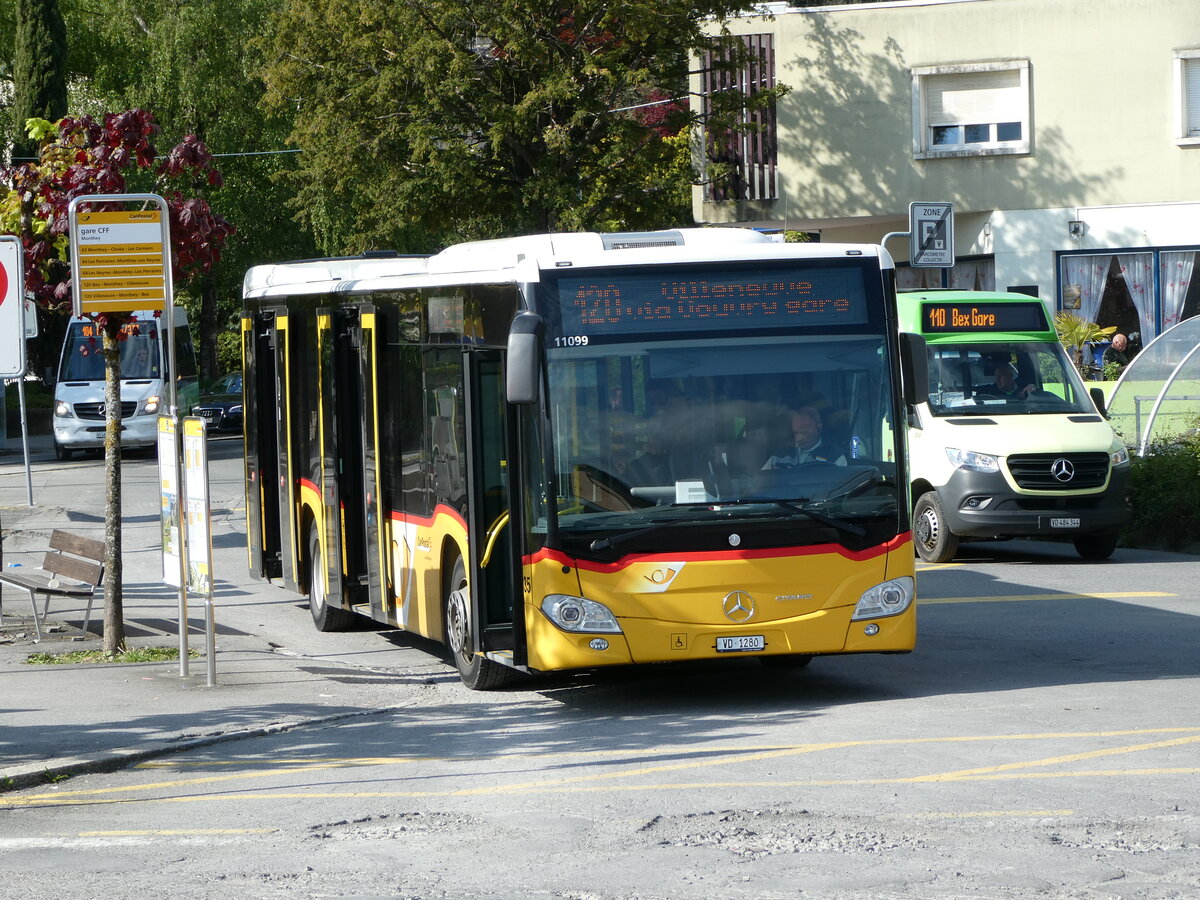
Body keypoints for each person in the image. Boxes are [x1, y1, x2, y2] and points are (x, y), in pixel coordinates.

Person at [762, 406, 846, 468]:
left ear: (818, 428)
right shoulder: (779, 454)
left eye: (805, 432)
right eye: (795, 433)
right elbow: (762, 482)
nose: (799, 438)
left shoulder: (836, 457)